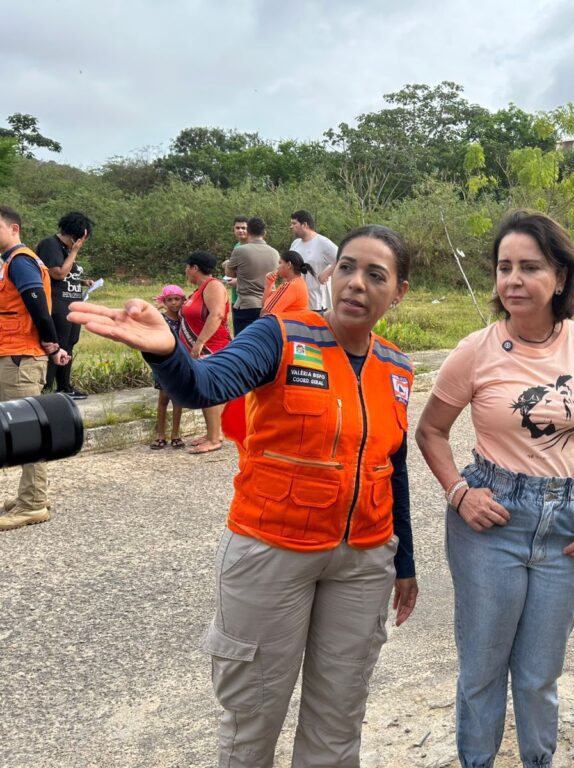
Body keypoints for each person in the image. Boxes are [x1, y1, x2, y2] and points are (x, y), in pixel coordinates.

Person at [68, 224, 418, 768]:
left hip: (363, 562)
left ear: (398, 292)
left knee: (340, 719)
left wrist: (405, 562)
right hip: (272, 552)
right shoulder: (279, 336)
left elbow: (390, 465)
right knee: (252, 719)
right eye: (346, 267)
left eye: (376, 275)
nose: (355, 284)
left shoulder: (397, 367)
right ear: (330, 272)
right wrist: (168, 354)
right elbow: (203, 385)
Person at [416, 210, 574, 768]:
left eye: (529, 267)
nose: (512, 279)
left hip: (567, 520)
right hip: (491, 519)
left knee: (539, 674)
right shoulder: (475, 349)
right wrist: (459, 492)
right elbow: (431, 431)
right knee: (483, 669)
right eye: (504, 267)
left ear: (560, 276)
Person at [0, 205, 70, 532]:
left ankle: (33, 503)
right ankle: (28, 496)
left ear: (14, 228)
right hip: (15, 354)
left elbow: (37, 304)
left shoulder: (20, 261)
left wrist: (52, 344)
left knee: (27, 430)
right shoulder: (12, 262)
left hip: (20, 358)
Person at [36, 211, 95, 399]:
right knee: (56, 345)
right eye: (77, 240)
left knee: (69, 344)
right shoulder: (50, 245)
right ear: (72, 235)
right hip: (57, 303)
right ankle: (47, 389)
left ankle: (64, 387)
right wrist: (75, 251)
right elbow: (58, 273)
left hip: (73, 304)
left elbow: (68, 274)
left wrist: (83, 282)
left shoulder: (67, 248)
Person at [180, 250, 231, 454]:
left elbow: (217, 314)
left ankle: (213, 439)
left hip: (213, 347)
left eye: (187, 267)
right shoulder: (200, 290)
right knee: (208, 392)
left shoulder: (213, 286)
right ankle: (214, 432)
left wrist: (200, 342)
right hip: (201, 348)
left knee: (208, 391)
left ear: (195, 268)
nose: (186, 271)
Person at [224, 216, 278, 335]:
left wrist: (227, 264)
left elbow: (229, 274)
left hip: (246, 306)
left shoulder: (240, 250)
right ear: (264, 233)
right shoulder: (275, 253)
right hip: (269, 305)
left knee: (243, 345)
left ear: (248, 232)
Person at [150, 284, 186, 450]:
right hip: (164, 364)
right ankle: (160, 434)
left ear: (182, 301)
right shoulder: (161, 319)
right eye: (169, 300)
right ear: (164, 301)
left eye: (176, 299)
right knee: (163, 399)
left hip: (180, 364)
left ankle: (176, 434)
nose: (173, 303)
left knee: (178, 399)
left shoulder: (185, 320)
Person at [289, 210, 338, 313]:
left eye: (294, 223)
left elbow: (343, 258)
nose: (291, 227)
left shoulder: (322, 243)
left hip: (316, 304)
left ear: (304, 225)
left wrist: (327, 273)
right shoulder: (295, 243)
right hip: (295, 302)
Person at [262, 250, 312, 316]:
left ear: (288, 265)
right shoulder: (298, 282)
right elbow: (265, 306)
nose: (277, 267)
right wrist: (269, 284)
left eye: (280, 263)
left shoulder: (290, 286)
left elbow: (265, 313)